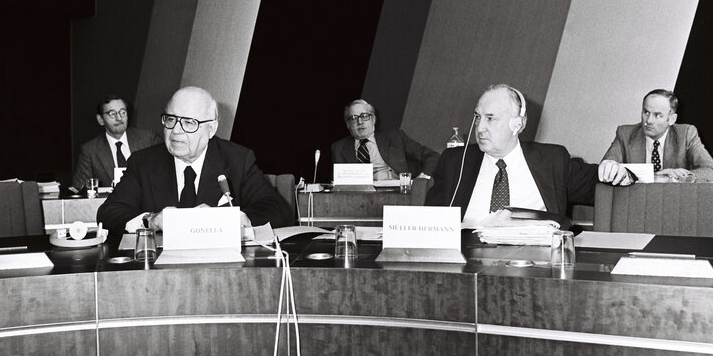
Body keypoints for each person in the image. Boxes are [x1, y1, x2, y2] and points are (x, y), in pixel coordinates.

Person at [425, 84, 628, 228]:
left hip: (532, 260)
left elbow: (597, 183)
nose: (480, 128)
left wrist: (615, 169)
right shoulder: (455, 162)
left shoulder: (552, 160)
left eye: (491, 118)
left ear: (518, 124)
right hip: (468, 260)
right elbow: (430, 221)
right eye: (478, 117)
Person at [96, 86, 293, 233]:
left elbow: (277, 210)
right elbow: (108, 213)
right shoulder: (143, 163)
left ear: (212, 129)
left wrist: (233, 219)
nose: (176, 131)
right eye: (171, 119)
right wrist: (150, 220)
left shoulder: (237, 159)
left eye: (190, 122)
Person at [599, 89, 713, 183]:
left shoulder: (686, 134)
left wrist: (672, 179)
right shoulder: (625, 134)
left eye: (658, 115)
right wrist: (655, 177)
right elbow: (606, 171)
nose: (649, 120)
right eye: (646, 112)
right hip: (636, 202)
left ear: (672, 119)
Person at [331, 99, 440, 180]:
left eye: (364, 116)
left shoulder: (394, 136)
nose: (360, 122)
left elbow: (431, 156)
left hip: (398, 192)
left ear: (373, 119)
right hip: (360, 198)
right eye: (354, 118)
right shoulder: (339, 148)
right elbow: (337, 183)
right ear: (347, 124)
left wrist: (423, 177)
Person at [71, 96, 161, 190]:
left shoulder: (148, 139)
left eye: (123, 112)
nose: (119, 118)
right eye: (112, 114)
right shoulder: (90, 151)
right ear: (100, 120)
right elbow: (78, 189)